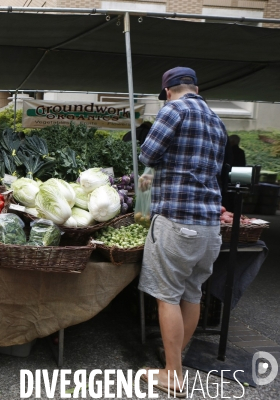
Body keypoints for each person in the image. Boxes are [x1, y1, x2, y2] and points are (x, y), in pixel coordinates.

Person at [138, 67, 226, 398]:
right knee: (192, 293)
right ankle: (175, 363)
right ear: (196, 88)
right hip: (209, 226)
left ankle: (172, 375)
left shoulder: (173, 109)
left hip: (176, 221)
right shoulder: (216, 121)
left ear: (168, 91)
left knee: (167, 296)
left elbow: (147, 153)